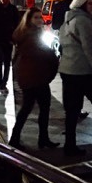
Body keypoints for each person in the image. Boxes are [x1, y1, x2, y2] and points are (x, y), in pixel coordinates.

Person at [58, 0, 92, 157]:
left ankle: (69, 145)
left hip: (67, 69)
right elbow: (89, 49)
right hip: (83, 71)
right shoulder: (83, 21)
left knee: (72, 111)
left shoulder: (67, 21)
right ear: (83, 4)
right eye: (90, 3)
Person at [8, 8, 60, 150]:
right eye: (36, 17)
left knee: (28, 108)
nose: (39, 20)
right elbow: (44, 54)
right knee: (40, 108)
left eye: (40, 17)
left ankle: (19, 137)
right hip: (36, 77)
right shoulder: (32, 35)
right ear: (29, 19)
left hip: (30, 76)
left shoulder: (25, 34)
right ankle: (40, 139)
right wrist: (54, 58)